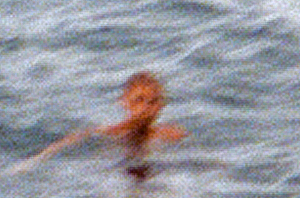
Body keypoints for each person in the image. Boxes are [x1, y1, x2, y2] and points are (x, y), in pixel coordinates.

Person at [25, 71, 188, 177]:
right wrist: (32, 162)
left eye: (153, 102)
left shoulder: (172, 133)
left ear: (161, 106)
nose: (146, 107)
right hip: (115, 171)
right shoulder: (110, 132)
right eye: (139, 100)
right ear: (124, 102)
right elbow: (64, 144)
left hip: (157, 174)